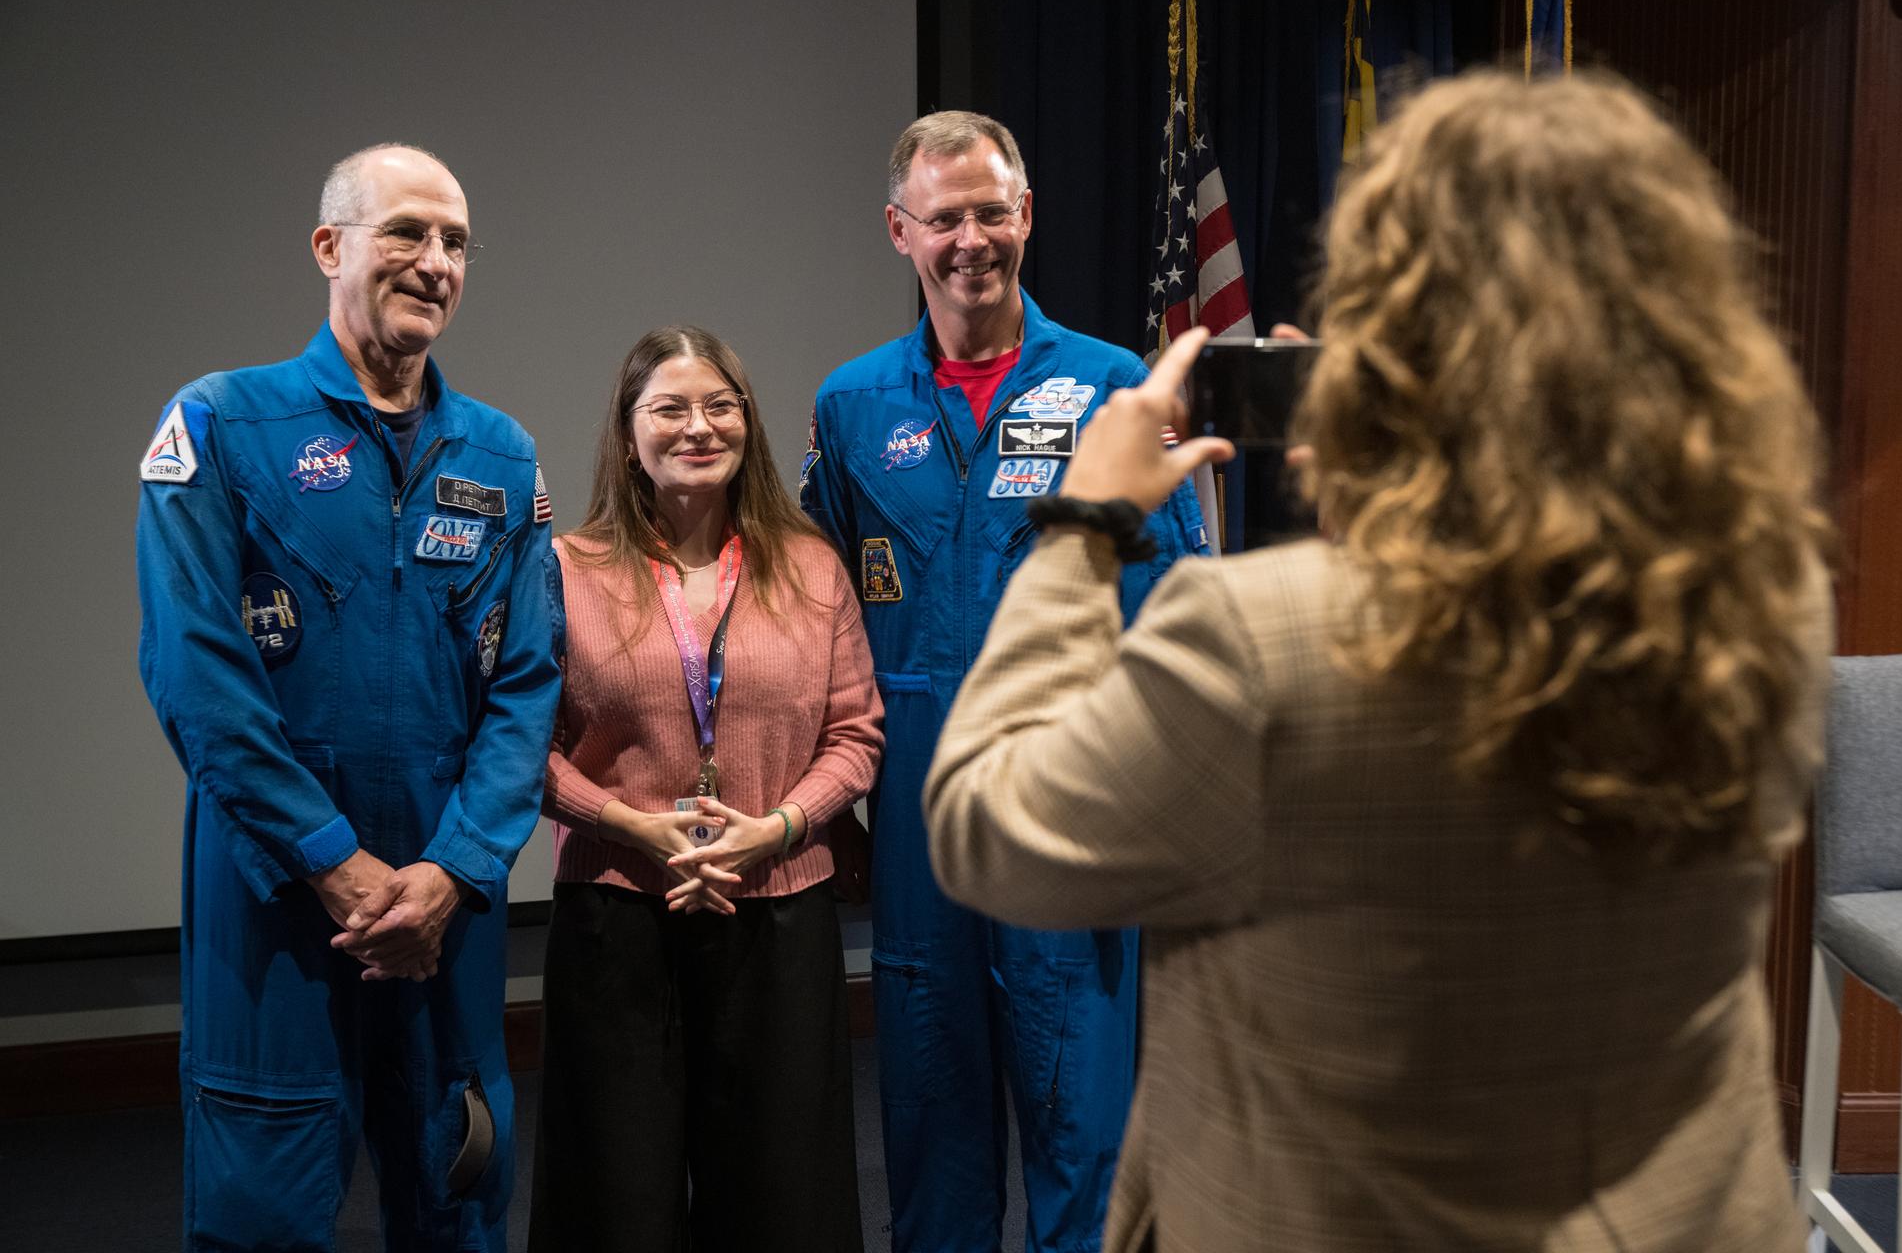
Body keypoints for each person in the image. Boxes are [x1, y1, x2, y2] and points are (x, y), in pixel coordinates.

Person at [923, 72, 1832, 1253]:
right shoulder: (1763, 602)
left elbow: (985, 824)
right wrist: (1392, 486)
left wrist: (1085, 525)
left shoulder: (1259, 644)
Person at [136, 144, 563, 1250]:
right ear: (331, 247)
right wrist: (331, 859)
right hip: (274, 901)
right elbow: (195, 668)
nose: (435, 261)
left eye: (457, 241)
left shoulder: (502, 455)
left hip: (443, 904)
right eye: (407, 233)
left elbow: (527, 686)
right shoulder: (224, 425)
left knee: (458, 1189)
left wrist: (457, 869)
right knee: (262, 1211)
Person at [801, 110, 1210, 1253]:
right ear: (900, 230)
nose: (970, 239)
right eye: (944, 218)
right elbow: (812, 618)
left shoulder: (1110, 388)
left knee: (1085, 1141)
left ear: (1026, 216)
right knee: (933, 1144)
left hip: (1075, 826)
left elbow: (1178, 603)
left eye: (991, 211)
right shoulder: (850, 408)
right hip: (922, 833)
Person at [532, 325, 883, 1252]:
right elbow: (525, 746)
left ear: (747, 423)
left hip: (778, 912)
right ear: (628, 428)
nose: (699, 427)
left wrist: (776, 828)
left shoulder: (810, 567)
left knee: (782, 1197)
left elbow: (855, 734)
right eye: (672, 408)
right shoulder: (565, 570)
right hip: (617, 913)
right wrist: (633, 826)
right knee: (616, 1198)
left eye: (720, 406)